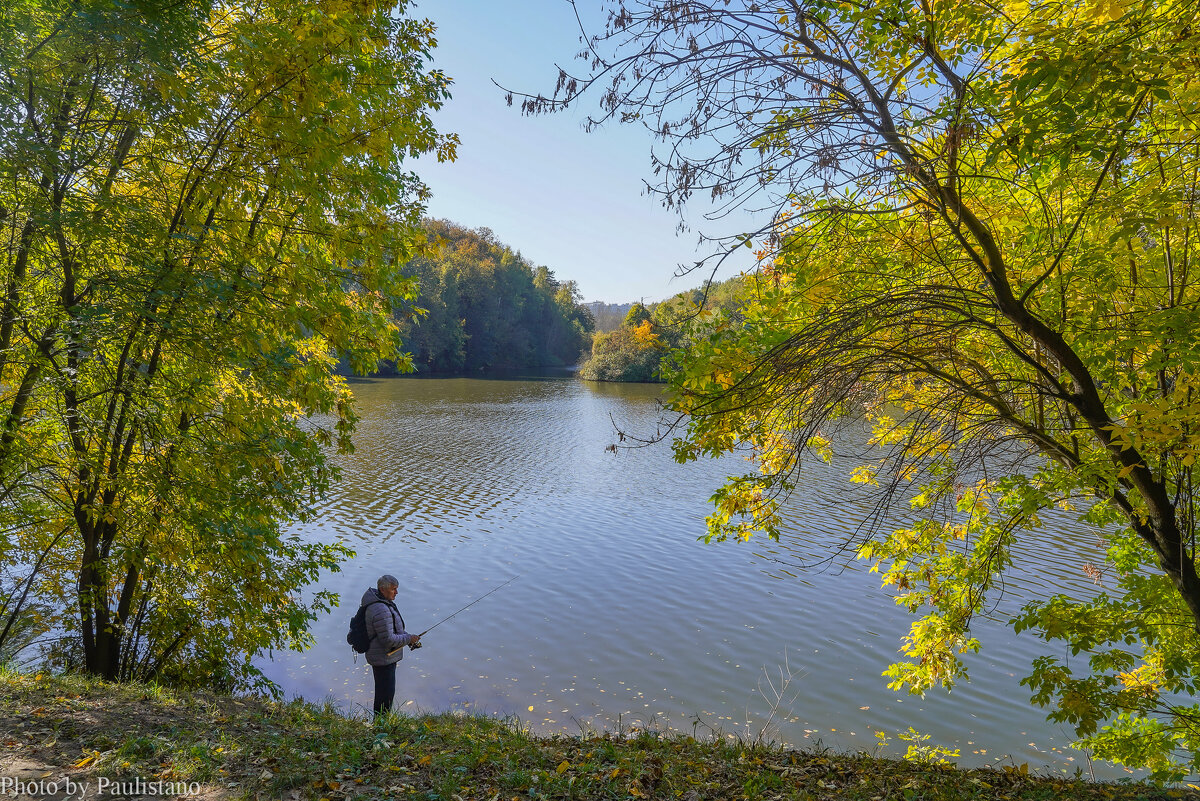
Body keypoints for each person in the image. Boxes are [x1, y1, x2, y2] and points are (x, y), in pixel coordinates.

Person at [361, 574, 420, 716]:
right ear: (382, 589)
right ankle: (380, 728)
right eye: (394, 589)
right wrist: (408, 639)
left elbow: (393, 631)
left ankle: (380, 726)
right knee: (385, 696)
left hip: (384, 656)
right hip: (383, 658)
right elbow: (388, 640)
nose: (397, 592)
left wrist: (408, 638)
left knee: (384, 693)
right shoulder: (380, 610)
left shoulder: (381, 603)